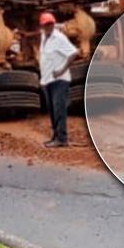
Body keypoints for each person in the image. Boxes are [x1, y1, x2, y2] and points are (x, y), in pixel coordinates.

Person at [38, 12, 78, 148]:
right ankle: (55, 136)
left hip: (60, 80)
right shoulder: (43, 37)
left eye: (50, 24)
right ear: (42, 26)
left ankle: (62, 138)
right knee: (52, 110)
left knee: (59, 109)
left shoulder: (59, 38)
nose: (49, 27)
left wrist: (62, 70)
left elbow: (73, 53)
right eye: (46, 25)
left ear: (53, 24)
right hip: (47, 80)